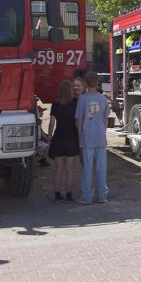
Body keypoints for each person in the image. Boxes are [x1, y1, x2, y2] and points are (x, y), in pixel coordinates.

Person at [75, 71, 109, 204]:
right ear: (97, 82)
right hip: (100, 135)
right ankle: (102, 195)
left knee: (88, 168)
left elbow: (79, 120)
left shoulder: (83, 99)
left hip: (87, 136)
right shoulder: (103, 98)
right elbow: (105, 119)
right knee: (101, 167)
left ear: (85, 83)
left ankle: (86, 196)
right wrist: (103, 131)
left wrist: (79, 137)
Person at [48, 80, 79, 202]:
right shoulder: (76, 103)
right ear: (70, 90)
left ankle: (57, 194)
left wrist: (50, 137)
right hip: (72, 138)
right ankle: (69, 195)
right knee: (70, 169)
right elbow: (78, 123)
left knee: (59, 169)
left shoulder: (55, 103)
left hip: (58, 138)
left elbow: (51, 122)